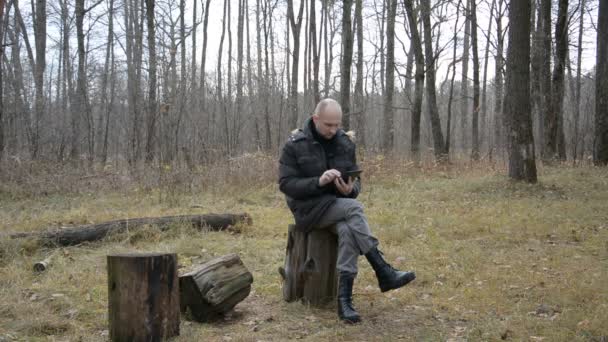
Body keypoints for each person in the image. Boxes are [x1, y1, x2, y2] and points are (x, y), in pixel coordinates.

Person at [278, 98, 416, 323]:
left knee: (348, 230)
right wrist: (319, 182)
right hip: (308, 210)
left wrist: (351, 189)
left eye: (337, 125)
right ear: (316, 119)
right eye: (328, 125)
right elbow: (286, 184)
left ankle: (344, 301)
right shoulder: (295, 144)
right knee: (355, 209)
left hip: (338, 207)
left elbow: (356, 179)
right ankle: (382, 270)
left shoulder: (345, 143)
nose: (333, 130)